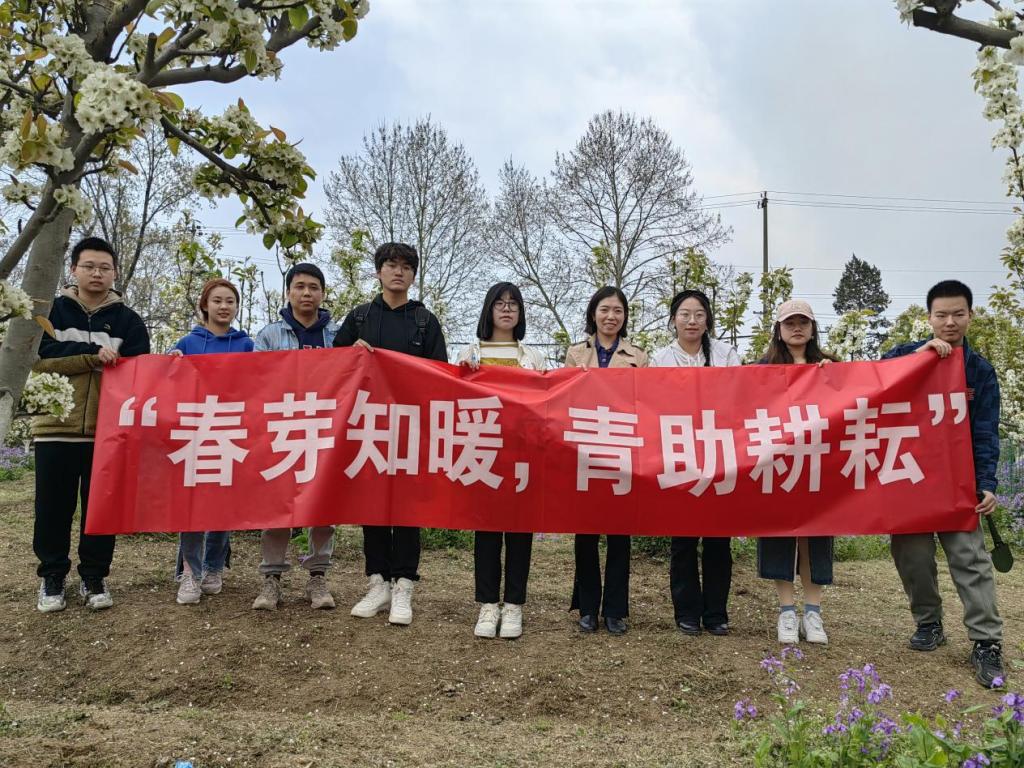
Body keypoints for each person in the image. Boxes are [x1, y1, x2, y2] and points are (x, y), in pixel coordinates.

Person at [883, 280, 1005, 688]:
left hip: (957, 480)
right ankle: (928, 622)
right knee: (912, 555)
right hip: (910, 475)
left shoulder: (980, 371)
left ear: (970, 315)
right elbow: (874, 378)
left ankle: (986, 641)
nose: (949, 322)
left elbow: (986, 431)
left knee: (970, 558)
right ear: (929, 317)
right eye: (941, 314)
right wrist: (918, 357)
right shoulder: (906, 354)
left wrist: (986, 483)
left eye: (958, 314)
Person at [33, 236, 151, 613]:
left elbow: (141, 374)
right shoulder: (50, 312)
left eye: (104, 268)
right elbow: (38, 359)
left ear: (114, 273)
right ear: (74, 270)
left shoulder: (129, 321)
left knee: (100, 510)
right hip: (55, 427)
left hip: (107, 432)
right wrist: (90, 356)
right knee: (52, 509)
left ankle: (94, 576)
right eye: (89, 266)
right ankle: (52, 576)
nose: (96, 273)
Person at [334, 242, 448, 625]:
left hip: (412, 428)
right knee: (373, 506)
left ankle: (404, 586)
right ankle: (377, 582)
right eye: (391, 265)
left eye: (405, 267)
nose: (398, 272)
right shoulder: (360, 318)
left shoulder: (425, 321)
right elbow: (333, 368)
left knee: (408, 508)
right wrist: (351, 353)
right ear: (378, 271)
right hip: (369, 427)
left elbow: (441, 375)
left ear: (413, 275)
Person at [457, 282, 546, 639]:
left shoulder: (532, 357)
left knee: (520, 531)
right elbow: (455, 400)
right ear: (489, 310)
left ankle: (514, 606)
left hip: (522, 453)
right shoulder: (470, 352)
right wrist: (463, 374)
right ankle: (487, 604)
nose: (507, 309)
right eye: (500, 303)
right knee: (487, 531)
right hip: (484, 451)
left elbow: (545, 404)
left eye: (513, 304)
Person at [651, 289, 741, 637]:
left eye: (699, 314)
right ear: (673, 319)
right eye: (685, 314)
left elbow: (740, 396)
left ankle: (716, 612)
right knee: (683, 539)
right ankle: (686, 612)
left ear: (708, 320)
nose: (692, 321)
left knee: (718, 539)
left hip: (719, 453)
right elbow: (654, 405)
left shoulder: (725, 354)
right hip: (679, 453)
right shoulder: (661, 358)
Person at [251, 263, 341, 611]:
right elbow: (255, 380)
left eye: (313, 287)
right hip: (282, 429)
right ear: (288, 292)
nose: (306, 293)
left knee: (324, 506)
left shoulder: (337, 335)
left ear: (322, 293)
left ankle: (318, 576)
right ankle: (271, 579)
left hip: (325, 430)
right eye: (300, 286)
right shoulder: (270, 336)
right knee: (277, 506)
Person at [565, 286, 648, 635]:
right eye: (604, 309)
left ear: (625, 317)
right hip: (584, 448)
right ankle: (587, 607)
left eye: (617, 310)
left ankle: (615, 609)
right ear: (593, 313)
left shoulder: (638, 356)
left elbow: (646, 403)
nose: (611, 316)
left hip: (622, 450)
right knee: (585, 534)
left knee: (619, 535)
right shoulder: (575, 353)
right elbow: (566, 399)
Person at [755, 299, 837, 645]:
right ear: (779, 329)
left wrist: (835, 378)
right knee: (780, 535)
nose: (797, 328)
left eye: (803, 322)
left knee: (815, 537)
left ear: (813, 328)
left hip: (819, 464)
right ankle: (787, 611)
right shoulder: (762, 368)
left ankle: (813, 613)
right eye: (790, 323)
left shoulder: (831, 366)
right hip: (779, 464)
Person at [169, 278, 254, 605]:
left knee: (221, 506)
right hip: (194, 432)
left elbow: (259, 383)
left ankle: (214, 568)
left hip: (229, 432)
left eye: (230, 301)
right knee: (191, 506)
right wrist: (171, 361)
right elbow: (167, 381)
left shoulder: (246, 345)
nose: (223, 306)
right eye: (217, 300)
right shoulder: (188, 342)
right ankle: (189, 571)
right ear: (205, 305)